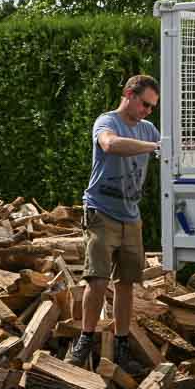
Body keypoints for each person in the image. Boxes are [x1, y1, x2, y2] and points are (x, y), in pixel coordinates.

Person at [67, 75, 160, 372]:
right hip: (101, 212)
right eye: (145, 103)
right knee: (97, 280)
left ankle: (121, 346)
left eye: (152, 107)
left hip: (131, 216)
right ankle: (85, 340)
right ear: (128, 95)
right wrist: (151, 146)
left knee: (126, 284)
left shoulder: (148, 129)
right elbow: (110, 145)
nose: (148, 111)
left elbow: (164, 145)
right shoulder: (106, 122)